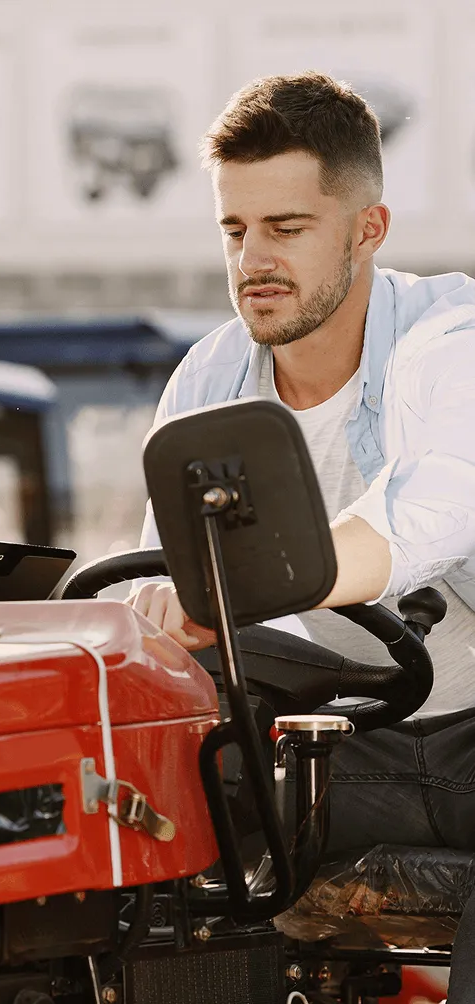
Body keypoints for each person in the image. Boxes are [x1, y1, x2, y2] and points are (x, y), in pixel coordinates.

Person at [128, 72, 475, 854]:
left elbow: (428, 515)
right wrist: (165, 604)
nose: (253, 260)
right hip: (331, 752)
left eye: (286, 228)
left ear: (367, 230)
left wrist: (233, 587)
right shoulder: (207, 380)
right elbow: (154, 577)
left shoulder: (450, 344)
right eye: (234, 229)